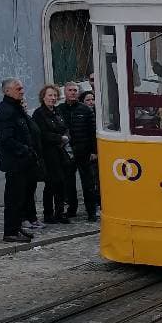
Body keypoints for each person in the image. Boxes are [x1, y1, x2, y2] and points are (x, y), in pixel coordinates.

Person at [0, 78, 36, 244]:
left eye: (22, 88)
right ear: (7, 91)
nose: (22, 91)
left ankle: (16, 227)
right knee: (13, 198)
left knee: (21, 197)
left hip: (23, 161)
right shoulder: (5, 110)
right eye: (18, 89)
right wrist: (24, 149)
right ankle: (10, 231)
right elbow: (6, 138)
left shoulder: (15, 107)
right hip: (15, 162)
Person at [32, 85, 73, 224]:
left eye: (55, 95)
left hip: (61, 152)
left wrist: (66, 136)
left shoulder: (57, 111)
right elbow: (41, 134)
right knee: (51, 184)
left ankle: (60, 212)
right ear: (43, 97)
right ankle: (48, 214)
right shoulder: (38, 114)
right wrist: (59, 138)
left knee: (61, 183)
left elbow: (65, 127)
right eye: (50, 95)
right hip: (48, 154)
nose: (53, 98)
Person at [60, 80, 98, 222]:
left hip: (84, 151)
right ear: (65, 92)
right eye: (70, 90)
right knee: (69, 183)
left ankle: (91, 211)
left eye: (75, 90)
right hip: (68, 152)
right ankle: (72, 209)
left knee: (88, 183)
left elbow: (92, 131)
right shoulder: (60, 110)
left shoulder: (85, 110)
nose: (73, 93)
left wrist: (94, 151)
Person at [22, 98, 45, 232]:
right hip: (26, 159)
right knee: (24, 191)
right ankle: (24, 218)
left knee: (31, 190)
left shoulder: (28, 118)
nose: (24, 105)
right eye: (21, 103)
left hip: (34, 158)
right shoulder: (19, 120)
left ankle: (32, 217)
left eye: (25, 103)